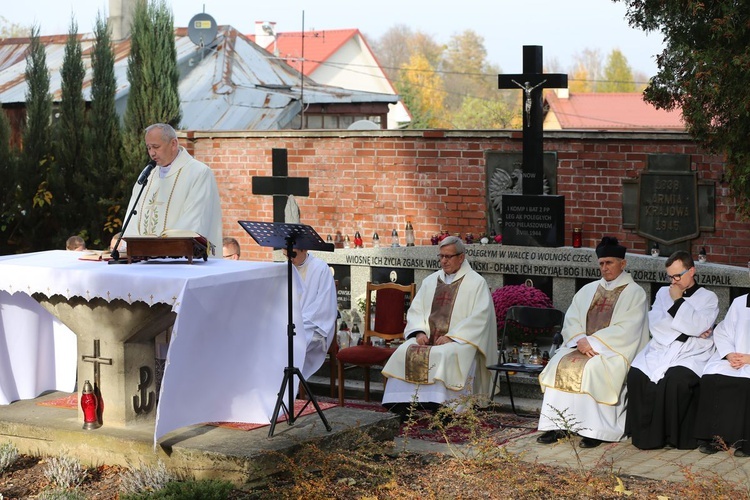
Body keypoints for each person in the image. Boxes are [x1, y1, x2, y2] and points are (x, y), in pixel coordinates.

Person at [537, 236, 649, 448]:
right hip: (582, 347)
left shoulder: (635, 293)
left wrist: (593, 344)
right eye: (601, 263)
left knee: (594, 368)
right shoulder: (588, 290)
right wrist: (580, 340)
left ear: (623, 264)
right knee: (558, 361)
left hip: (613, 351)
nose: (604, 268)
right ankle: (557, 425)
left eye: (610, 263)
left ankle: (596, 430)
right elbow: (572, 318)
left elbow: (627, 329)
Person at [381, 236, 498, 415]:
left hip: (460, 341)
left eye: (448, 257)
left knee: (444, 355)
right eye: (441, 256)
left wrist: (452, 336)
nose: (443, 261)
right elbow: (416, 310)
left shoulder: (476, 283)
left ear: (461, 257)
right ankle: (401, 404)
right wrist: (419, 332)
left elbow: (480, 317)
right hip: (430, 338)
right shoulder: (431, 281)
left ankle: (446, 408)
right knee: (405, 350)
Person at [626, 251, 718, 450]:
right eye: (670, 276)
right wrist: (690, 329)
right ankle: (643, 434)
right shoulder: (661, 293)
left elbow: (700, 326)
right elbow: (657, 323)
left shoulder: (708, 298)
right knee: (636, 375)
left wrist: (678, 302)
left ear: (691, 271)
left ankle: (670, 436)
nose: (673, 281)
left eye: (678, 275)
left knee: (675, 381)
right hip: (662, 347)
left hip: (692, 352)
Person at [122, 123, 222, 255]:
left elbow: (194, 222)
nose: (152, 153)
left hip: (180, 261)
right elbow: (132, 219)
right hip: (144, 261)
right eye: (148, 147)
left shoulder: (199, 173)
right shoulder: (148, 175)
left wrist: (160, 250)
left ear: (173, 144)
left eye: (156, 147)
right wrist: (134, 249)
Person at [694, 294, 750, 457]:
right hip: (736, 358)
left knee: (744, 384)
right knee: (712, 378)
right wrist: (729, 353)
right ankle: (717, 439)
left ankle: (746, 442)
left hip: (747, 360)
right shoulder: (740, 302)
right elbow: (724, 331)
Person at [283, 247, 338, 380]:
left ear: (304, 249)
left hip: (315, 326)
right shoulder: (285, 268)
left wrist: (299, 321)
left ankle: (288, 389)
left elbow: (324, 307)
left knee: (290, 346)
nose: (289, 259)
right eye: (286, 255)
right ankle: (277, 393)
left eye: (293, 254)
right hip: (289, 324)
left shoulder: (320, 268)